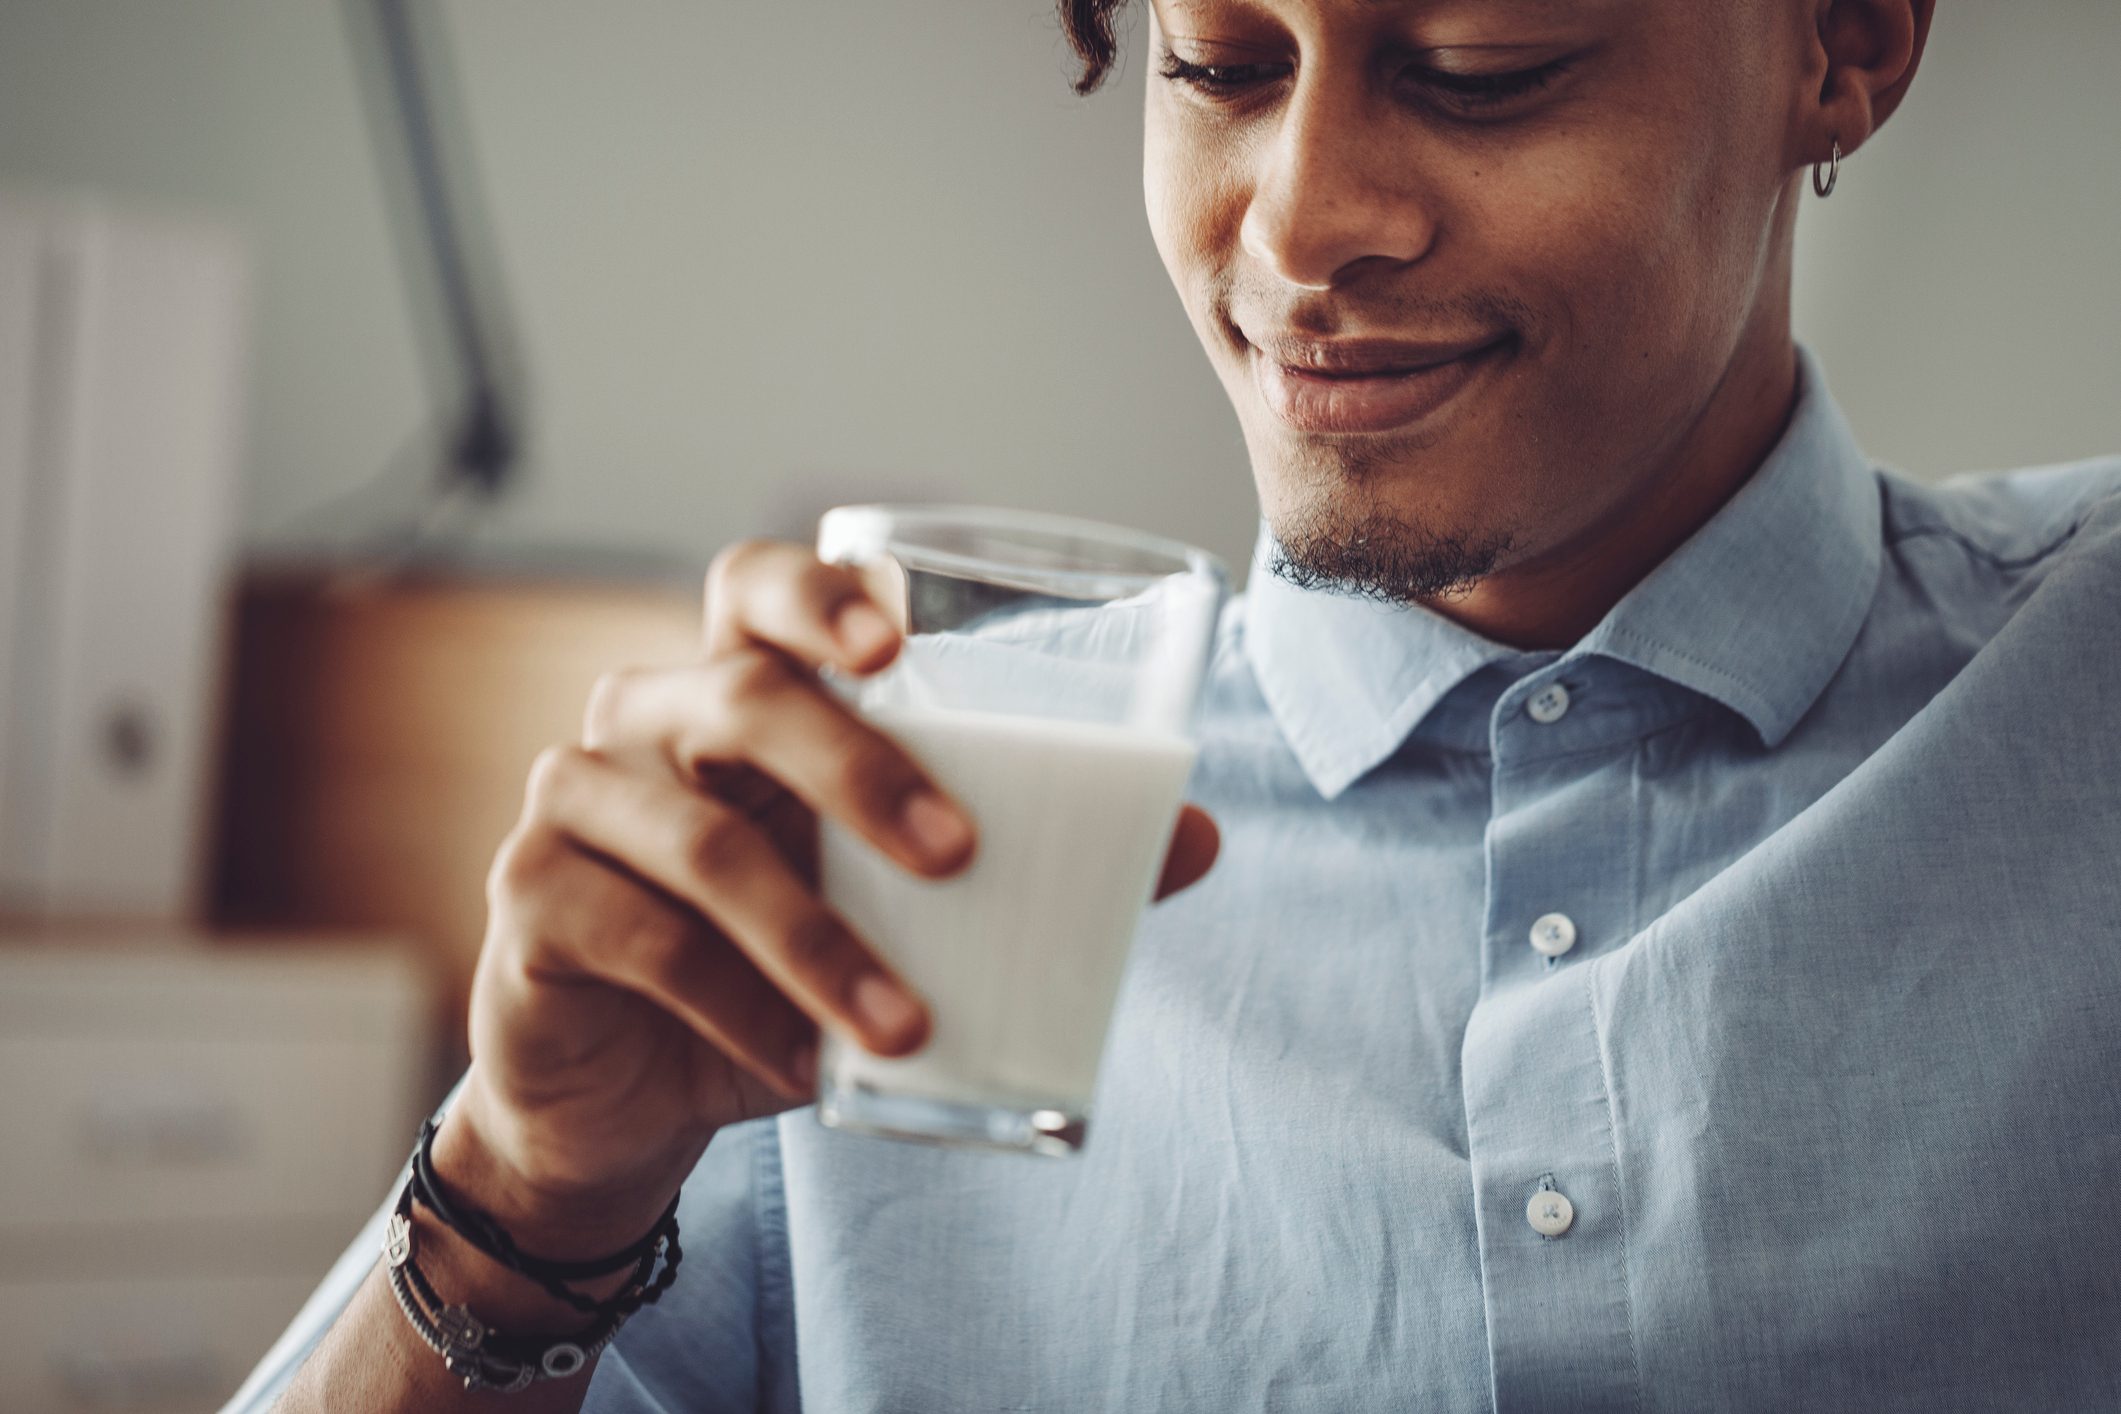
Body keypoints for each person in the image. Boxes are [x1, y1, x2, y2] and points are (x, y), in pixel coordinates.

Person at [232, 0, 2121, 1408]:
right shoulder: (850, 846)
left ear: (1849, 40)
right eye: (1218, 62)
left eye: (1480, 67)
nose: (1299, 231)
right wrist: (528, 1189)